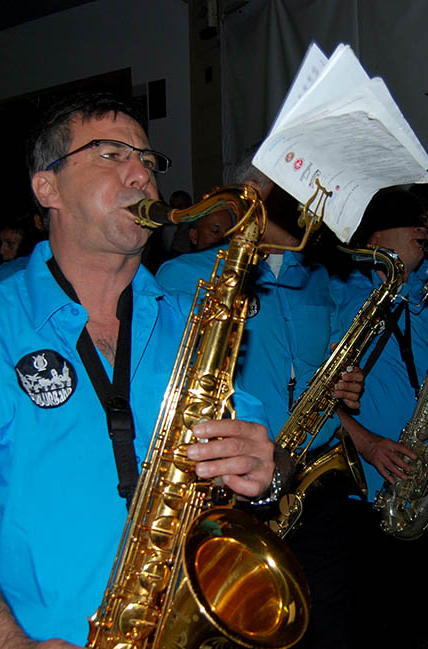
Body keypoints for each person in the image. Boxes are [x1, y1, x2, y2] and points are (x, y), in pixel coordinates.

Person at [0, 91, 281, 648]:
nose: (140, 176)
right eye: (110, 155)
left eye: (148, 161)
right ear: (46, 186)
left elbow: (261, 473)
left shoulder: (195, 324)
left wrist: (264, 476)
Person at [156, 153, 364, 649]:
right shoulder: (183, 277)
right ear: (253, 198)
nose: (309, 209)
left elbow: (324, 364)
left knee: (328, 622)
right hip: (240, 484)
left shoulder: (318, 276)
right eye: (296, 195)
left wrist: (343, 382)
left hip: (316, 472)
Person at [331, 188, 428, 639]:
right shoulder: (340, 293)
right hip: (367, 482)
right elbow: (309, 396)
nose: (424, 229)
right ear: (375, 235)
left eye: (425, 221)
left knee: (426, 611)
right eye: (411, 222)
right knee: (371, 615)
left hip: (427, 474)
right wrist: (366, 441)